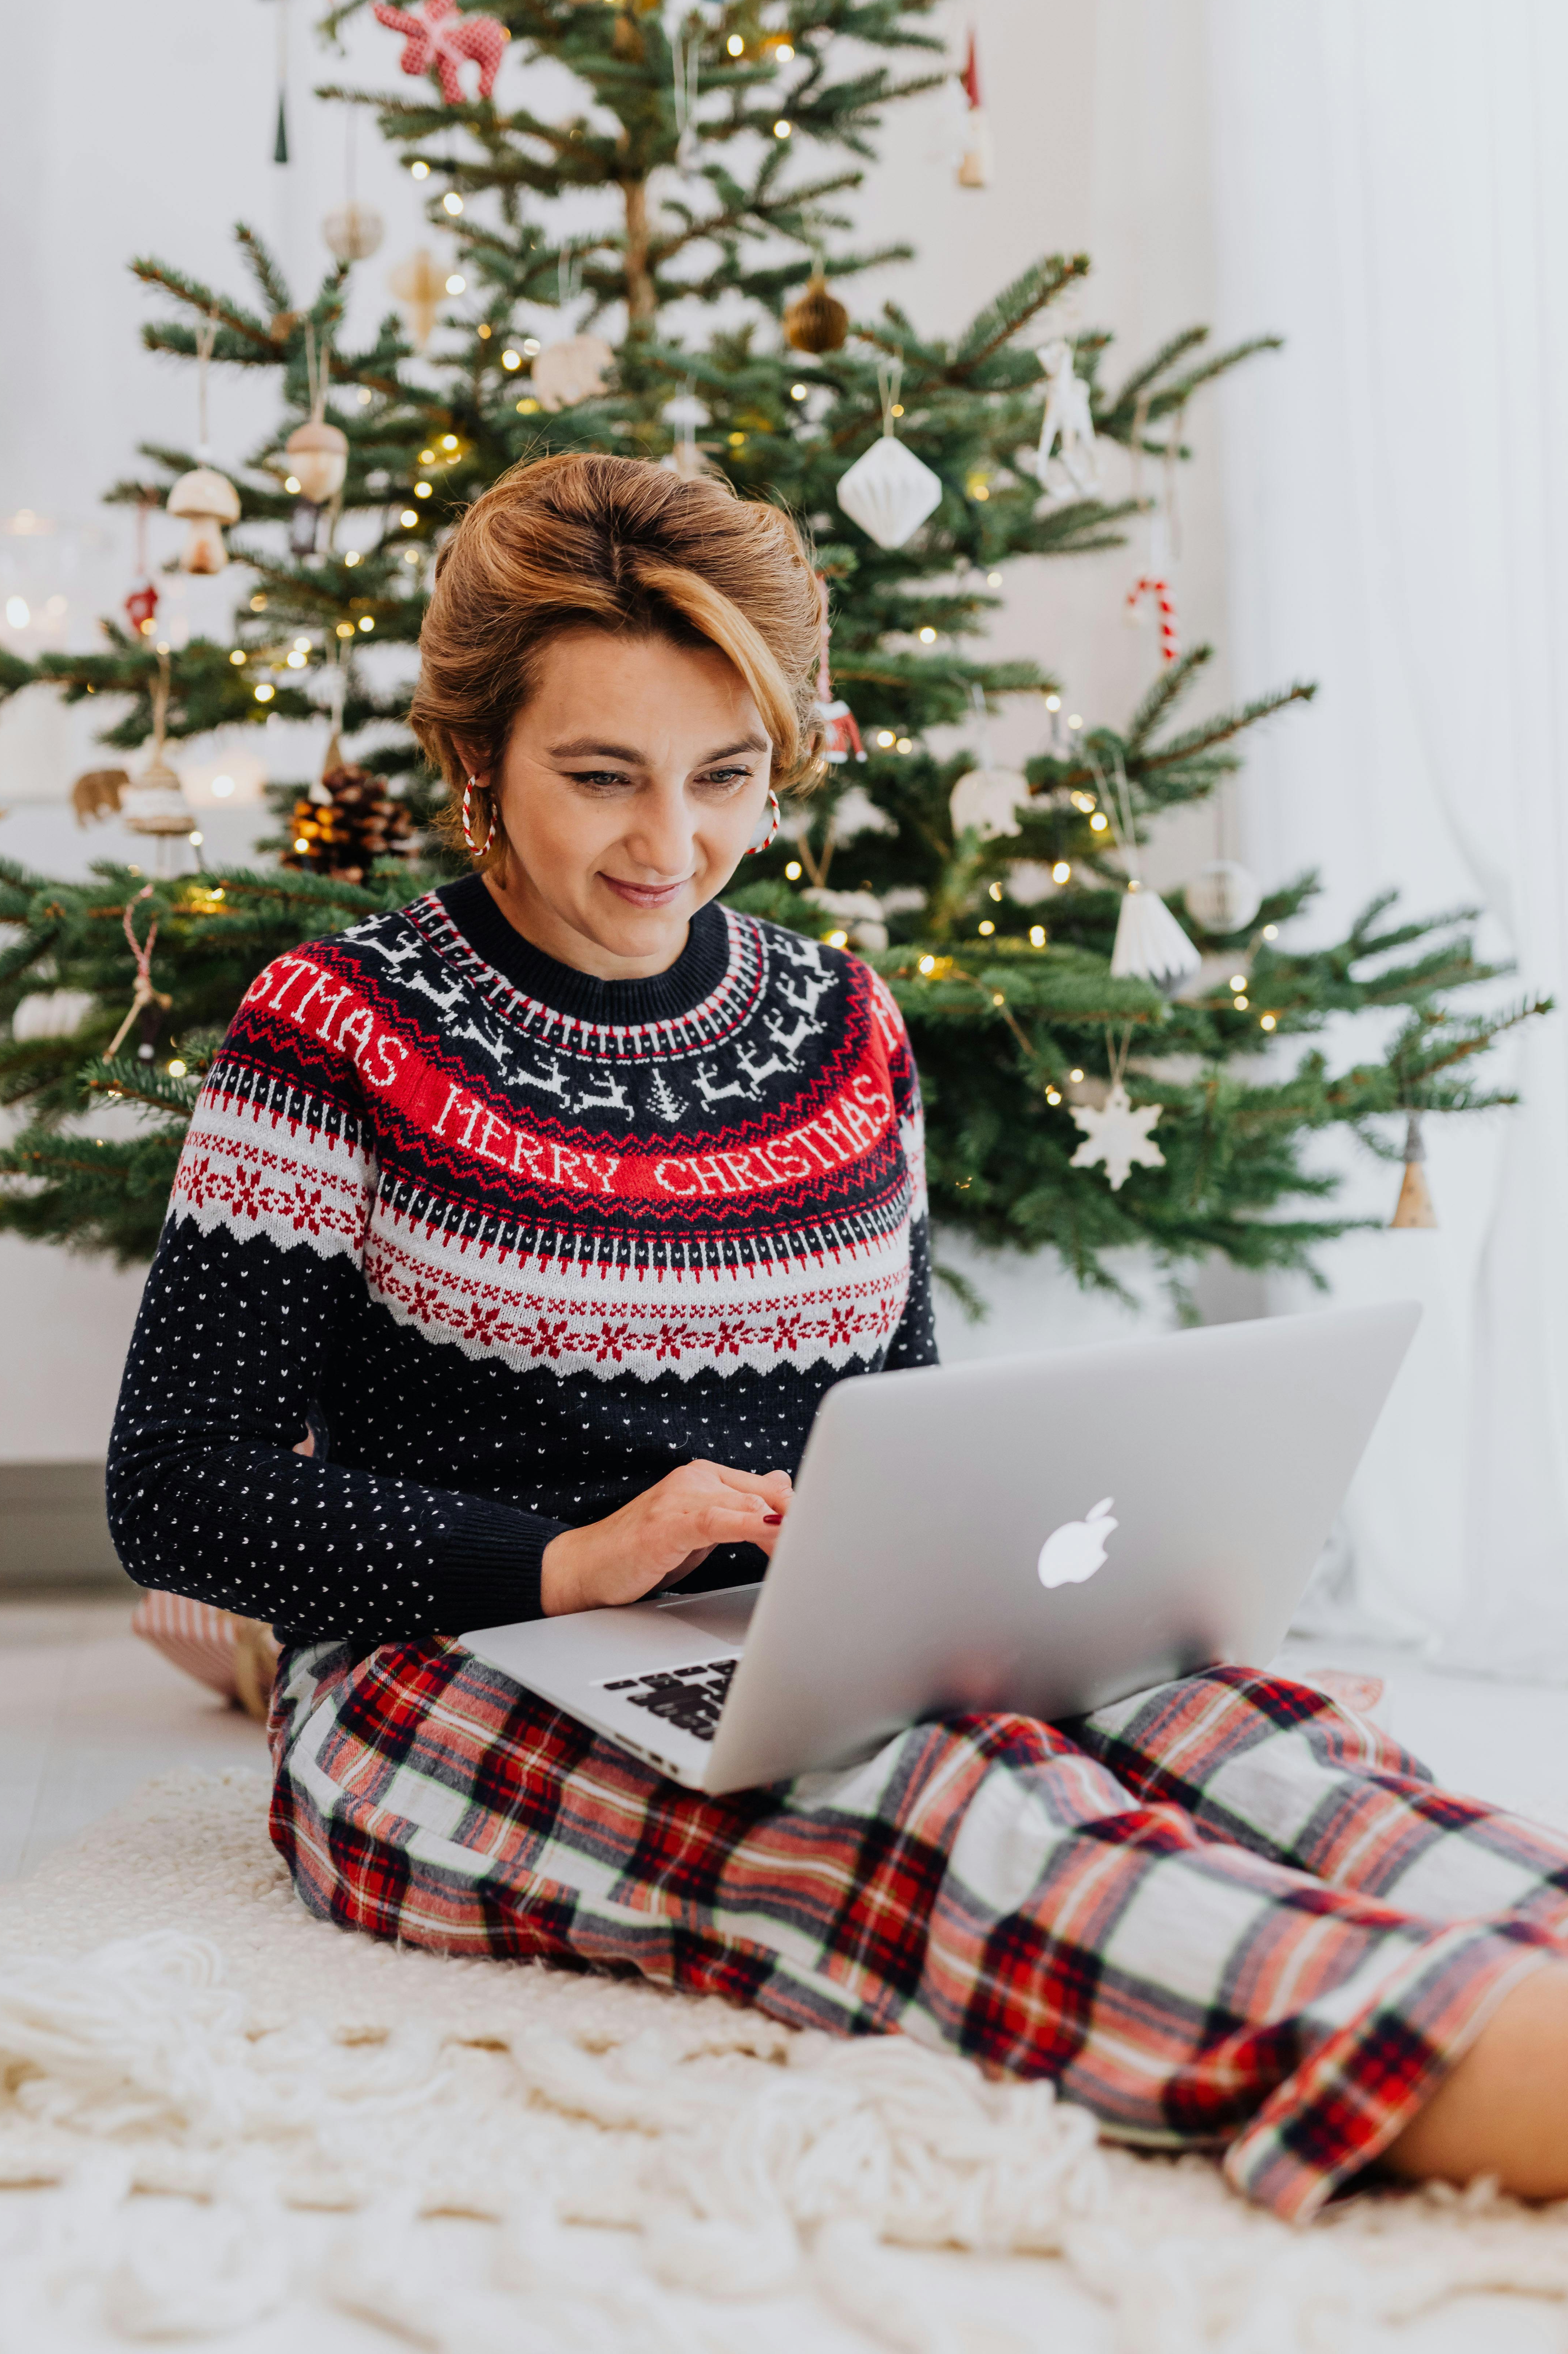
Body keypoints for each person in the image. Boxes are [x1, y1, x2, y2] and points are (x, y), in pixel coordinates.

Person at [107, 452, 1568, 2222]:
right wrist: (563, 1562)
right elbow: (172, 1491)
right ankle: (1474, 2070)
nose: (669, 846)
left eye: (726, 776)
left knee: (1248, 1737)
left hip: (801, 1642)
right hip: (452, 1675)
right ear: (475, 754)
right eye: (601, 776)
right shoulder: (331, 1027)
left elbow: (903, 1428)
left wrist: (1089, 1631)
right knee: (950, 1813)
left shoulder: (837, 1020)